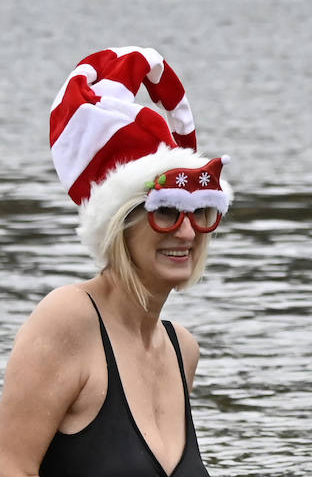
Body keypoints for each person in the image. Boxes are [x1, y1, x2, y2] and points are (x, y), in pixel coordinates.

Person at [0, 47, 233, 476]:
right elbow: (10, 465)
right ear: (118, 223)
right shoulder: (68, 319)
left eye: (200, 212)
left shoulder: (182, 351)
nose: (186, 232)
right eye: (165, 211)